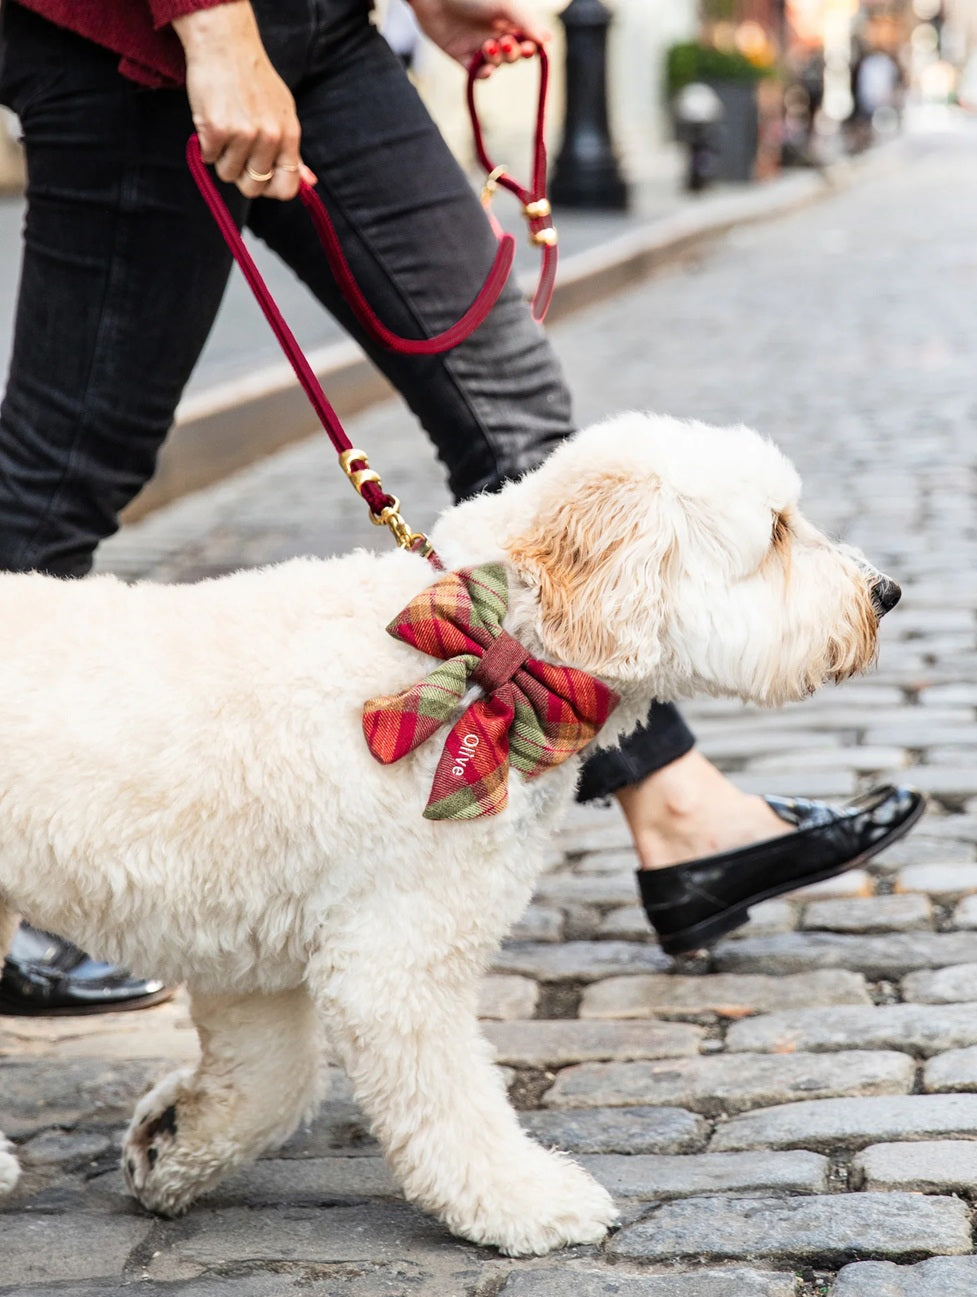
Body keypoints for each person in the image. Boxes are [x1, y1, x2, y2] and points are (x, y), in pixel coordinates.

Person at [0, 0, 923, 1013]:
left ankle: (685, 816)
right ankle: (36, 864)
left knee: (512, 407)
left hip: (322, 33)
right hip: (141, 44)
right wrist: (213, 30)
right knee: (66, 469)